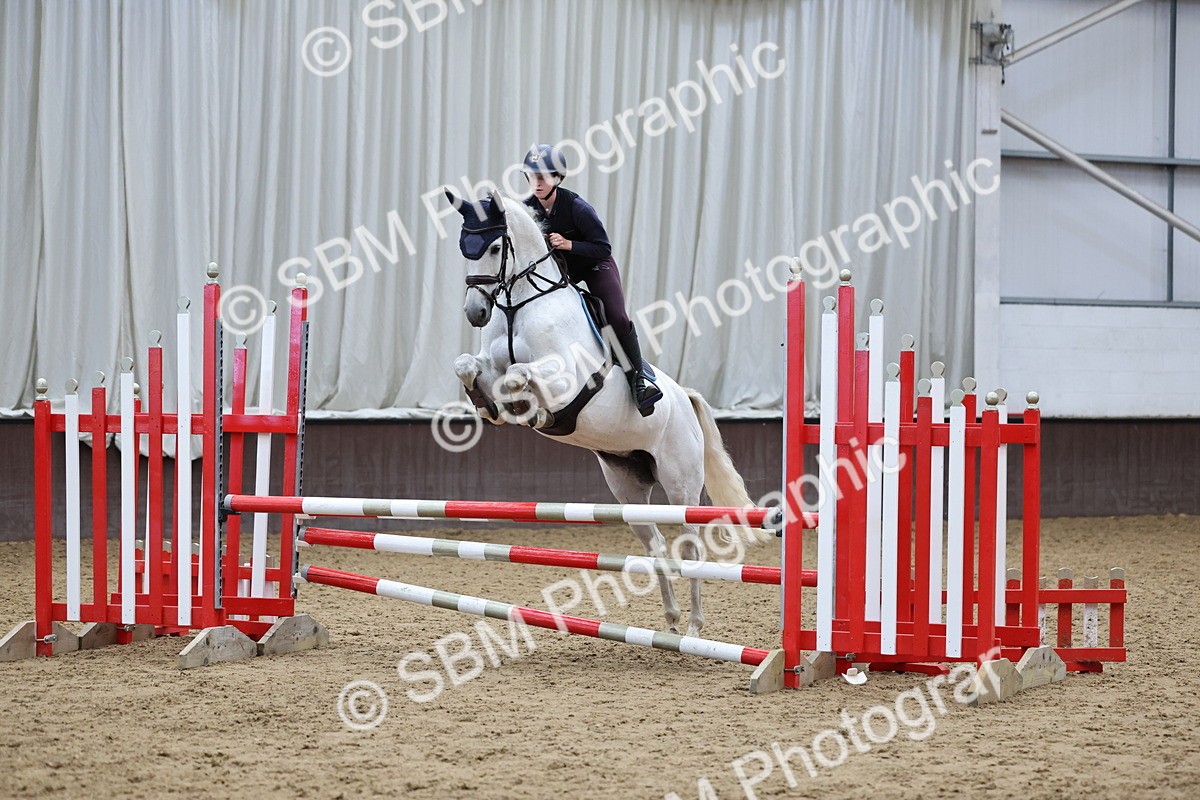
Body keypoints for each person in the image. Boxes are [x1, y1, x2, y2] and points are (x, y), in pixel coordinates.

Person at [520, 143, 663, 416]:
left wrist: (569, 245)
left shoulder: (577, 208)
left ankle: (639, 381)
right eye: (531, 176)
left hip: (595, 265)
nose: (536, 183)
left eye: (543, 176)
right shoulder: (527, 209)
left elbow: (603, 248)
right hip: (563, 273)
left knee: (616, 317)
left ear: (557, 178)